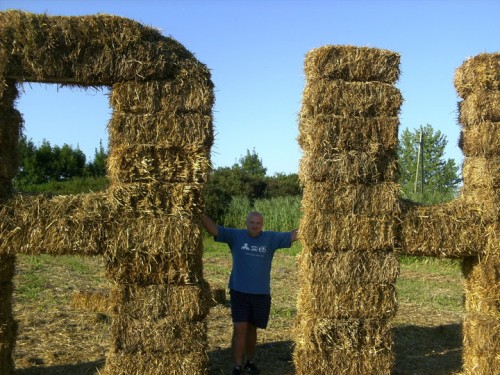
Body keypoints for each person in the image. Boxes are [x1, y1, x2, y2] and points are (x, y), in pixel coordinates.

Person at [201, 212, 298, 375]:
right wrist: (201, 214)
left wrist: (313, 217)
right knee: (240, 327)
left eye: (258, 223)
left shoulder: (270, 238)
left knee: (252, 329)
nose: (255, 225)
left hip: (261, 293)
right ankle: (237, 365)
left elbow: (293, 235)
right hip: (239, 291)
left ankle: (249, 361)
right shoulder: (236, 236)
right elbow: (215, 230)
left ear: (262, 224)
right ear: (246, 223)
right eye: (252, 222)